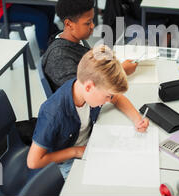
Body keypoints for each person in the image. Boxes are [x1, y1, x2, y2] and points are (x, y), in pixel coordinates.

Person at [28, 45, 149, 179]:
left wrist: (137, 120)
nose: (109, 100)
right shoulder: (53, 113)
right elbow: (33, 162)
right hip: (66, 162)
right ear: (89, 87)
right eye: (107, 96)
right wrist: (75, 151)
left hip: (90, 144)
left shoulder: (88, 89)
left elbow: (118, 97)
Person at [42, 0, 137, 92]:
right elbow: (85, 92)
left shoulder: (75, 39)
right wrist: (120, 72)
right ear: (69, 24)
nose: (92, 26)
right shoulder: (59, 58)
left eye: (92, 20)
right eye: (87, 23)